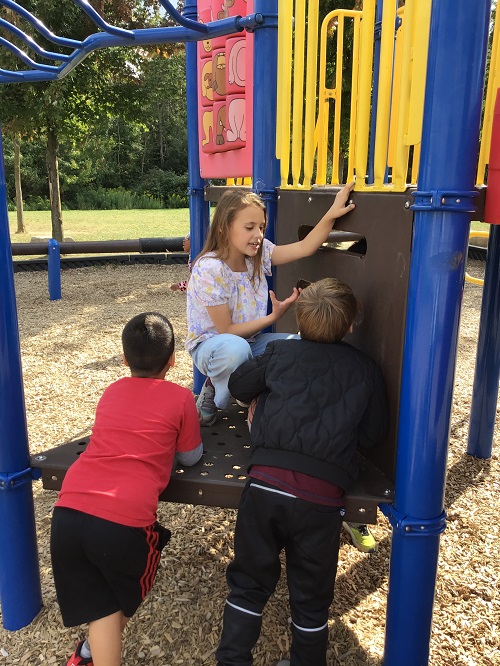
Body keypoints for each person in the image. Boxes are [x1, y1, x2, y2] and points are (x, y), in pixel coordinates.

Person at [215, 278, 389, 666]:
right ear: (349, 326)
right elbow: (374, 433)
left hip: (264, 486)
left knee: (248, 583)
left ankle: (232, 659)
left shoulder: (279, 353)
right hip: (320, 498)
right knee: (311, 597)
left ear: (299, 320)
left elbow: (241, 384)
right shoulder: (364, 369)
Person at [50, 312, 203, 666]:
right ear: (172, 361)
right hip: (124, 522)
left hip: (68, 512)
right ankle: (93, 651)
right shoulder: (180, 399)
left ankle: (88, 654)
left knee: (100, 606)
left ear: (123, 360)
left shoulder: (112, 390)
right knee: (124, 593)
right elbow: (191, 456)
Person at [185, 183, 356, 427]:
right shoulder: (210, 269)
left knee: (298, 347)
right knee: (234, 350)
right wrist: (272, 318)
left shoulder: (259, 254)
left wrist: (331, 213)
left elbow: (305, 247)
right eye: (249, 227)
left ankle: (244, 390)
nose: (258, 235)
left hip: (249, 344)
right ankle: (218, 394)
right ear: (224, 227)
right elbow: (226, 331)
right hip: (212, 348)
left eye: (261, 227)